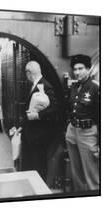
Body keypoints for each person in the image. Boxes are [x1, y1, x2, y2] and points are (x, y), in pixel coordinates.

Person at [65, 54, 99, 191]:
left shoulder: (95, 88)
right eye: (75, 69)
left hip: (88, 133)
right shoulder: (75, 86)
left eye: (81, 68)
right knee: (76, 172)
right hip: (73, 130)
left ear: (89, 69)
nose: (77, 72)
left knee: (92, 174)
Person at [21, 61, 59, 181]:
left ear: (29, 73)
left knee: (39, 165)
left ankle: (39, 190)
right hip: (32, 132)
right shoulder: (36, 84)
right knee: (32, 163)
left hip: (39, 134)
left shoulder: (45, 85)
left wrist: (37, 115)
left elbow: (54, 108)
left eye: (26, 73)